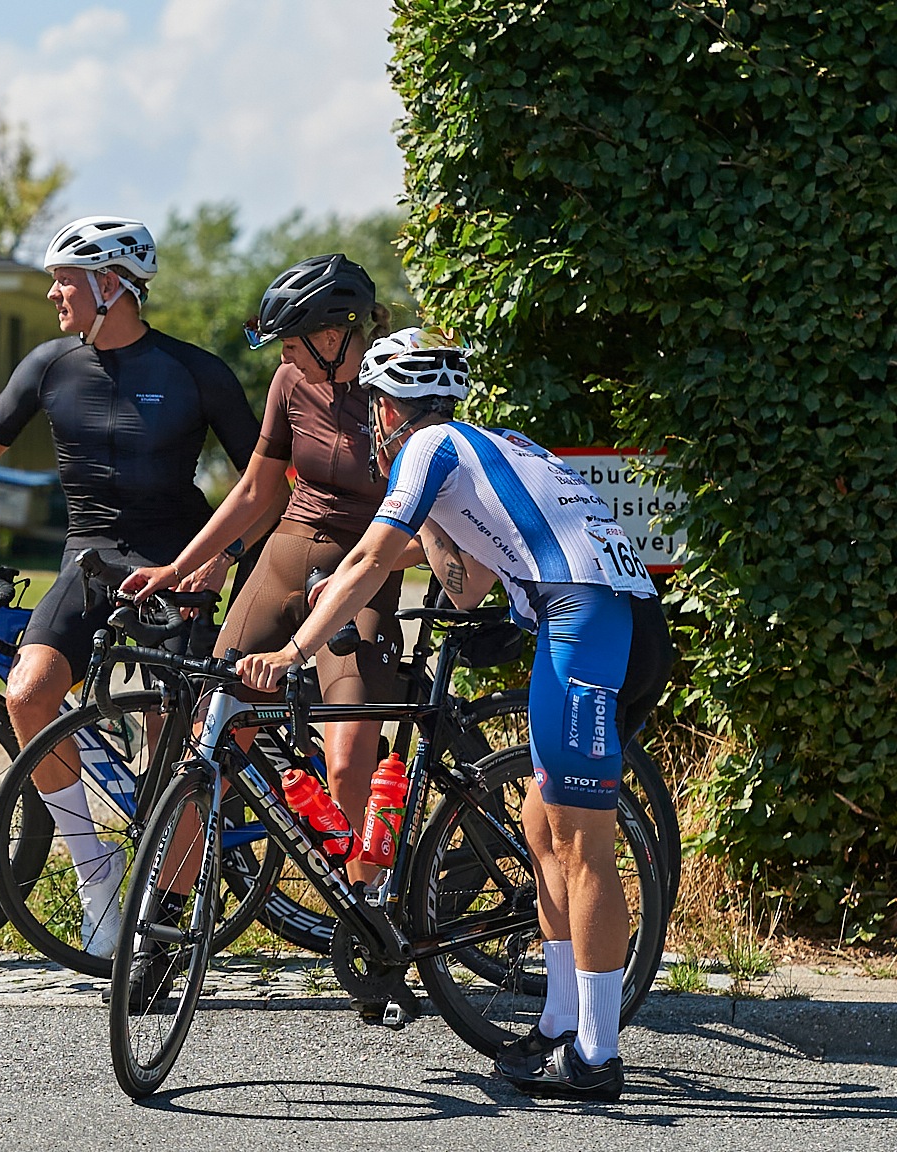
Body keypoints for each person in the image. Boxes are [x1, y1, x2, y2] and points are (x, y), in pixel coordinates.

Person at [235, 328, 672, 1102]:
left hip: (586, 625)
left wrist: (294, 651)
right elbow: (462, 584)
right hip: (614, 622)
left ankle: (598, 1054)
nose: (371, 421)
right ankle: (561, 1021)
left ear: (388, 406)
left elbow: (372, 559)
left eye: (373, 405)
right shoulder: (490, 443)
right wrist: (408, 537)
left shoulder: (428, 445)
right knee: (542, 826)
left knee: (579, 843)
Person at [0, 215, 259, 959]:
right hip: (88, 562)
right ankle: (95, 871)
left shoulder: (193, 370)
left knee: (173, 733)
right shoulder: (50, 364)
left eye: (66, 280)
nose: (54, 293)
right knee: (28, 693)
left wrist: (226, 553)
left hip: (179, 563)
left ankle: (167, 909)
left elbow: (265, 480)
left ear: (111, 287)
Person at [124, 254, 402, 893]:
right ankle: (165, 922)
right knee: (211, 737)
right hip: (289, 552)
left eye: (292, 342)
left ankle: (369, 922)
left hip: (364, 569)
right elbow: (256, 491)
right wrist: (181, 565)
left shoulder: (393, 394)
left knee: (349, 760)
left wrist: (378, 564)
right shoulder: (288, 385)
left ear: (333, 338)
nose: (283, 357)